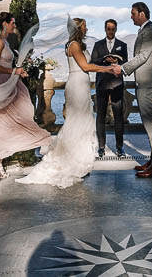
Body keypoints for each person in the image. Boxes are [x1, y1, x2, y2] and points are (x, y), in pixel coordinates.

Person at [16, 18, 121, 187]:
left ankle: (78, 158)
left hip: (81, 84)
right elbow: (85, 67)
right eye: (85, 27)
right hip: (77, 85)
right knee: (77, 122)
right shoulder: (74, 45)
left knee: (82, 121)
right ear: (78, 29)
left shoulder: (75, 44)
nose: (87, 30)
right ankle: (71, 160)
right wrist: (108, 68)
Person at [0, 12, 52, 178]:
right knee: (0, 121)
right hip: (1, 83)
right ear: (5, 24)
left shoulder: (5, 41)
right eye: (12, 23)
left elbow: (5, 63)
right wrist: (14, 70)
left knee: (22, 113)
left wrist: (18, 72)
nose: (14, 25)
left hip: (11, 81)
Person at [122, 2, 152, 178]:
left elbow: (143, 57)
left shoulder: (150, 31)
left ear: (142, 13)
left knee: (150, 124)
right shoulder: (145, 31)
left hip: (147, 84)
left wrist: (123, 68)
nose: (131, 16)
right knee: (150, 123)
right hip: (145, 83)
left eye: (133, 13)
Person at [91, 18, 128, 158]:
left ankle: (120, 148)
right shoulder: (98, 44)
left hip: (117, 84)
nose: (110, 31)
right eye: (108, 29)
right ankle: (101, 147)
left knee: (119, 117)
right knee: (100, 116)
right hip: (102, 83)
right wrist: (104, 60)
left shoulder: (122, 45)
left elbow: (126, 62)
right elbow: (92, 62)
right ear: (105, 29)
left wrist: (117, 61)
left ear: (116, 29)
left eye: (113, 29)